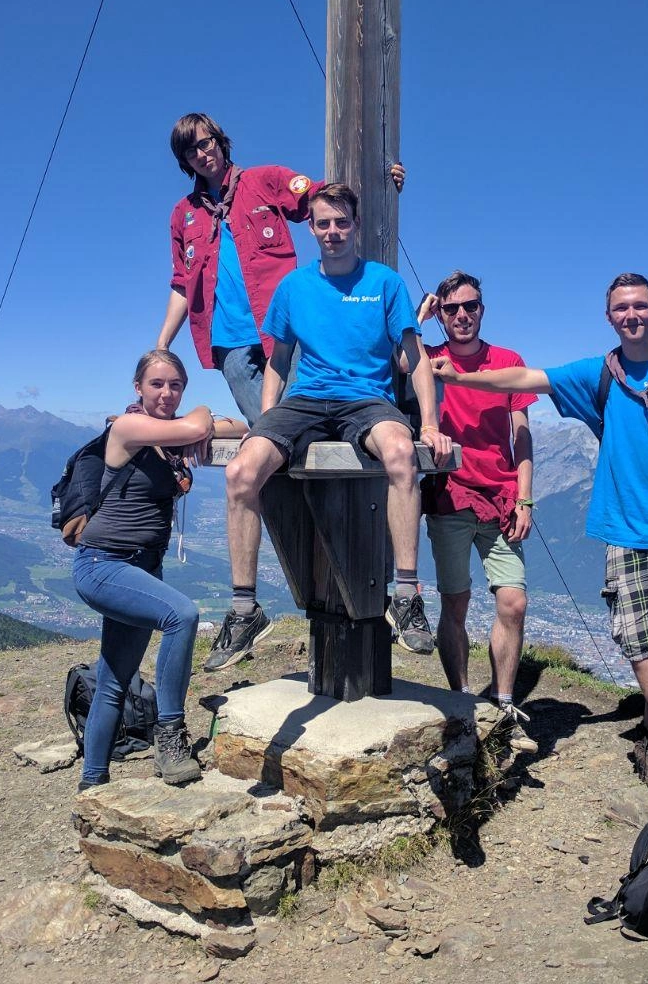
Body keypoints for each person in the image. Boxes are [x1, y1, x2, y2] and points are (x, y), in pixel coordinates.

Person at [433, 273, 648, 798]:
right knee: (641, 641)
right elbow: (522, 380)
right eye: (621, 307)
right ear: (609, 316)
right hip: (624, 526)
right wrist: (458, 380)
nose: (631, 314)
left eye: (640, 305)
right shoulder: (600, 374)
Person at [208, 182, 453, 672]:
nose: (333, 232)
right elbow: (278, 360)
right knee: (240, 474)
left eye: (342, 222)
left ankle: (405, 596)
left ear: (356, 226)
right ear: (312, 228)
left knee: (401, 455)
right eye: (324, 223)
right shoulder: (295, 287)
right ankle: (243, 611)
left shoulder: (384, 282)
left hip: (367, 399)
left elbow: (415, 357)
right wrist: (267, 420)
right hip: (305, 400)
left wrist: (428, 422)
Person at [156, 113, 403, 422]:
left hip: (287, 322)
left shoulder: (265, 180)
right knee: (267, 424)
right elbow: (183, 283)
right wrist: (163, 343)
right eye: (190, 152)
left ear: (219, 141)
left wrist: (380, 183)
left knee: (297, 416)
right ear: (184, 161)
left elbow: (322, 194)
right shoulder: (183, 214)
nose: (201, 155)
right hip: (229, 335)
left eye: (205, 144)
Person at [72, 349, 245, 789]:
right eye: (157, 384)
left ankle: (92, 784)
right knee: (181, 616)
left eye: (176, 386)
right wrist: (201, 413)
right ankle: (169, 734)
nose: (167, 393)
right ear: (138, 389)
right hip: (103, 564)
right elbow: (196, 425)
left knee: (113, 681)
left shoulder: (168, 440)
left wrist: (200, 423)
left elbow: (242, 425)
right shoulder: (127, 427)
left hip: (141, 569)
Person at [415, 271, 538, 754]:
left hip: (502, 496)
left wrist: (525, 496)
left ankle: (504, 702)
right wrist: (416, 320)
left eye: (471, 306)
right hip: (449, 492)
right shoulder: (426, 360)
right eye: (451, 309)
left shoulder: (507, 362)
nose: (462, 315)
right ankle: (461, 700)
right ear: (440, 313)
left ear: (483, 309)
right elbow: (390, 357)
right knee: (455, 602)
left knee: (513, 602)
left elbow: (522, 433)